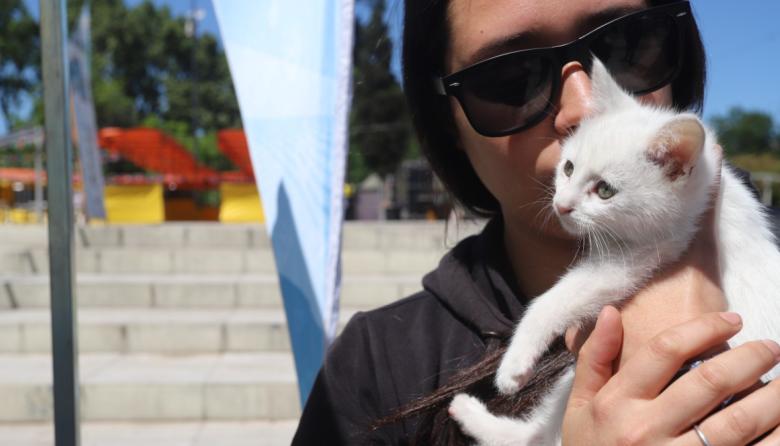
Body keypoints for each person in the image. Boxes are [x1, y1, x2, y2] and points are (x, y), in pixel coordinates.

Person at [293, 0, 780, 444]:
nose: (582, 109)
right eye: (511, 77)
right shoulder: (375, 369)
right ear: (446, 118)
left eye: (626, 45)